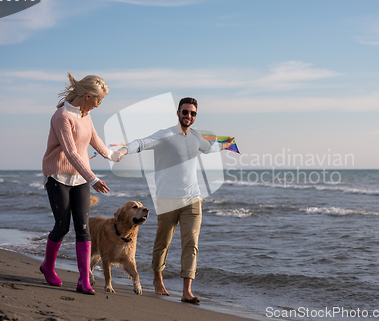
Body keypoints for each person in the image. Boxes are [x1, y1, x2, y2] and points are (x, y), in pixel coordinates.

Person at [112, 97, 235, 304]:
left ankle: (187, 291)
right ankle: (158, 278)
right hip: (167, 199)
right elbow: (141, 143)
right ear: (178, 113)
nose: (189, 116)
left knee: (191, 243)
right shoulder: (165, 135)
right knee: (163, 242)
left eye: (193, 113)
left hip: (192, 199)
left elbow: (209, 148)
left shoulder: (196, 136)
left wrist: (225, 145)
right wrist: (123, 151)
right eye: (185, 112)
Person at [41, 73, 116, 295]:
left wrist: (112, 155)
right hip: (58, 177)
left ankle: (84, 280)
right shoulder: (61, 117)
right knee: (62, 226)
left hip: (80, 178)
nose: (99, 105)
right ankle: (47, 266)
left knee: (83, 228)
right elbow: (71, 152)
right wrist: (93, 178)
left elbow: (94, 138)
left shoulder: (86, 115)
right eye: (98, 100)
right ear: (87, 96)